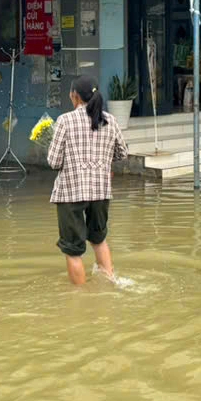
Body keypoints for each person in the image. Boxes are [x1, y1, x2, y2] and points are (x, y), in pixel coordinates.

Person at [47, 75, 130, 286]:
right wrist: (102, 162)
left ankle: (80, 300)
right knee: (99, 240)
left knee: (73, 250)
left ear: (74, 96)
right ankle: (111, 284)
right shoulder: (110, 121)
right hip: (100, 192)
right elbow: (122, 153)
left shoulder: (65, 120)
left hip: (71, 193)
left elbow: (54, 161)